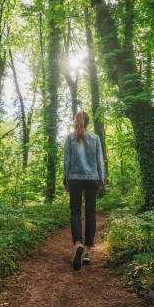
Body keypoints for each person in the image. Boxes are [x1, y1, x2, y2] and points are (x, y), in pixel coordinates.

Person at [63, 110, 105, 270]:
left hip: (74, 178)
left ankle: (78, 243)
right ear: (88, 123)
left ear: (76, 121)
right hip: (92, 179)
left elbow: (66, 161)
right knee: (90, 213)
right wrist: (101, 179)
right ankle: (87, 251)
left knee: (75, 212)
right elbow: (99, 160)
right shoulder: (95, 138)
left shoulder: (69, 138)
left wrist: (65, 180)